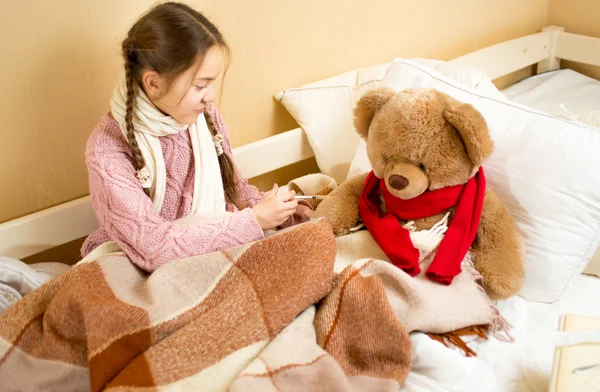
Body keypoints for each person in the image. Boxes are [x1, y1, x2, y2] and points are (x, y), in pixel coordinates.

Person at [80, 2, 313, 272]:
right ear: (153, 83)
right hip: (142, 266)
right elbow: (154, 247)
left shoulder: (204, 117)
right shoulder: (107, 150)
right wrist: (254, 220)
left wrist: (282, 211)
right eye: (200, 85)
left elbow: (235, 190)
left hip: (212, 251)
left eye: (211, 83)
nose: (210, 96)